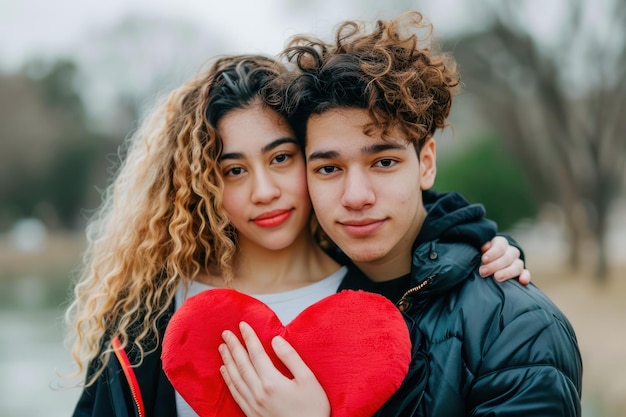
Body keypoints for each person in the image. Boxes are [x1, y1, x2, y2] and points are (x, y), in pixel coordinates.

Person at [65, 53, 528, 416]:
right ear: (201, 183)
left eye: (280, 158)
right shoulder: (147, 319)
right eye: (233, 169)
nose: (264, 191)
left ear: (312, 158)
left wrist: (474, 243)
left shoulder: (384, 294)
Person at [218, 11, 582, 417]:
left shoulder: (517, 328)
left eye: (384, 162)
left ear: (426, 164)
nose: (356, 196)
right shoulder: (307, 307)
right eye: (329, 169)